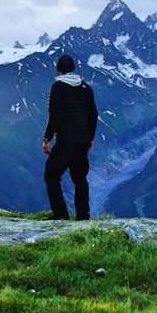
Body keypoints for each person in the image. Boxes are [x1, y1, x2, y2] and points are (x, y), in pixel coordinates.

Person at [42, 54, 98, 220]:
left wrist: (47, 139)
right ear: (73, 68)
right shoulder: (86, 87)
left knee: (51, 174)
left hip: (66, 140)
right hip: (82, 142)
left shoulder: (58, 87)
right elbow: (93, 115)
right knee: (80, 178)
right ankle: (83, 216)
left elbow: (55, 116)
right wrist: (90, 139)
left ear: (59, 70)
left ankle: (60, 215)